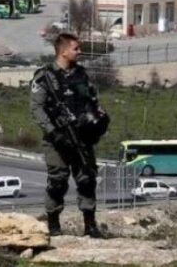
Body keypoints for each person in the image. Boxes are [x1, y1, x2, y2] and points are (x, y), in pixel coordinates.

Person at [30, 33, 110, 238]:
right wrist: (54, 133)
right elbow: (37, 109)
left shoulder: (81, 74)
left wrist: (98, 120)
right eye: (76, 48)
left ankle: (90, 225)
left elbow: (92, 101)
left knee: (87, 178)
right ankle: (53, 223)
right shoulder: (45, 76)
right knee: (58, 180)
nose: (79, 52)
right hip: (57, 140)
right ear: (63, 51)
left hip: (81, 137)